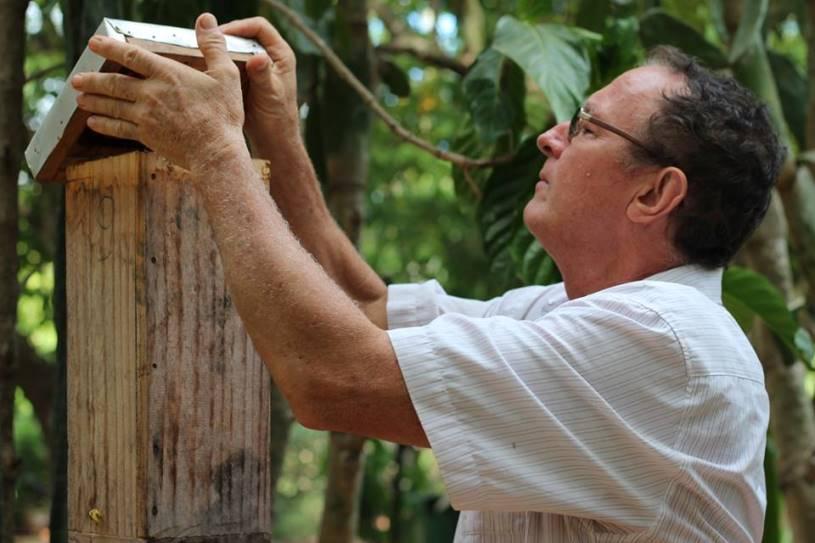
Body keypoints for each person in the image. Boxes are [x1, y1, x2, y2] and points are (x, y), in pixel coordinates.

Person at [70, 12, 784, 542]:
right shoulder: (563, 311)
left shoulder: (664, 342)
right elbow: (363, 306)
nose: (550, 136)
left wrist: (217, 148)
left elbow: (332, 374)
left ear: (653, 194)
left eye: (587, 128)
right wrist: (275, 137)